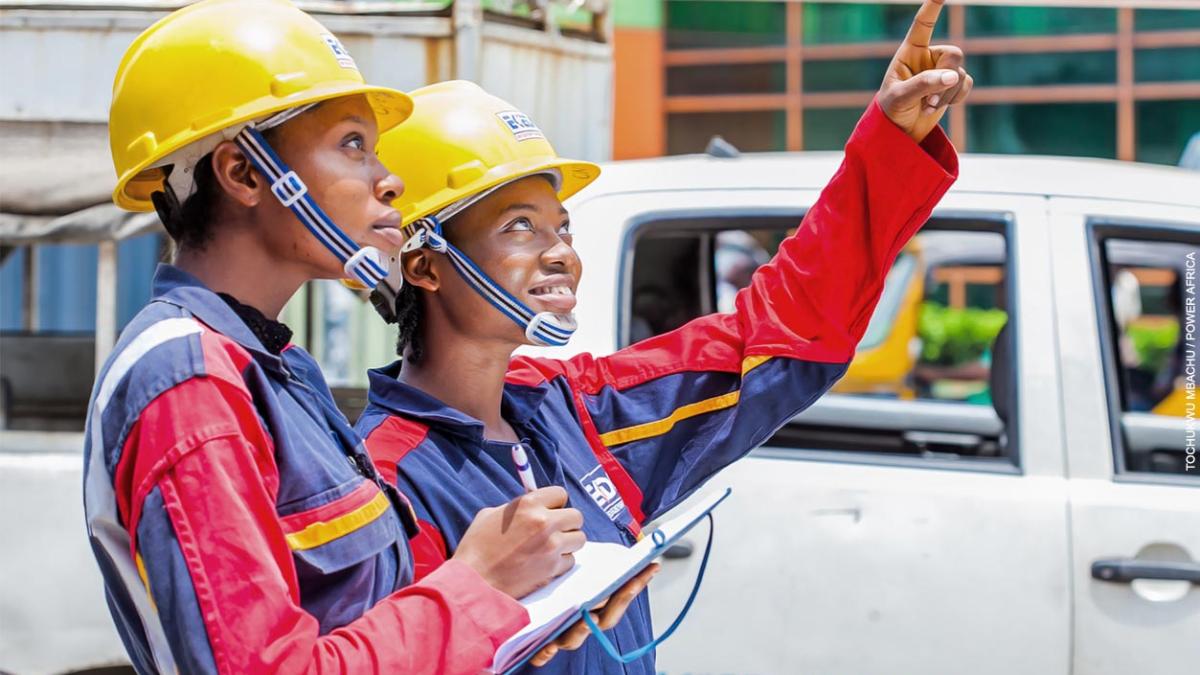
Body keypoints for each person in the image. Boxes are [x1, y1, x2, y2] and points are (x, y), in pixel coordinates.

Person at [355, 1, 972, 671]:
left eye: (560, 227)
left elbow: (775, 335)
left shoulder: (575, 408)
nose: (561, 251)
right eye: (519, 228)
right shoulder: (381, 480)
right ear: (423, 265)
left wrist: (887, 149)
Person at [83, 1, 591, 672]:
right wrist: (479, 587)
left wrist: (526, 614)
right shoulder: (190, 380)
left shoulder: (277, 367)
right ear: (244, 174)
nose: (390, 180)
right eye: (354, 144)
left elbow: (359, 617)